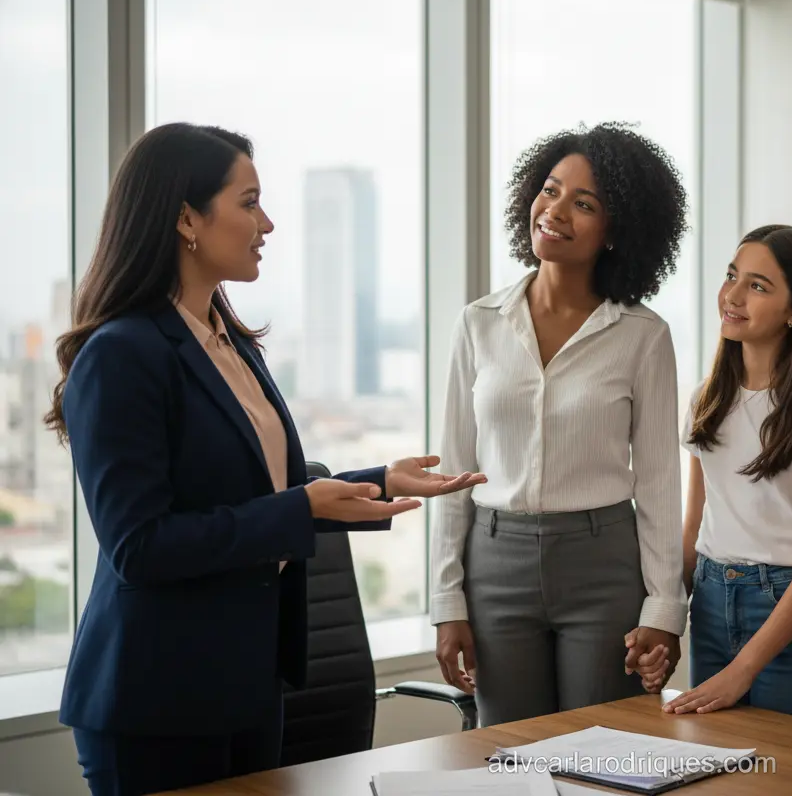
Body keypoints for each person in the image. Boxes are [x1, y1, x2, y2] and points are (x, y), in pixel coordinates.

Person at [46, 123, 485, 796]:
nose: (268, 223)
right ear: (186, 218)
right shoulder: (122, 354)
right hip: (157, 696)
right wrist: (301, 506)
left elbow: (256, 491)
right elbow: (139, 545)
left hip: (249, 683)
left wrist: (374, 482)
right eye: (249, 202)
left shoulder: (231, 342)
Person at [430, 123, 690, 727]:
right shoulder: (478, 323)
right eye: (550, 190)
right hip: (495, 563)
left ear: (617, 230)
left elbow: (658, 482)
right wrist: (447, 599)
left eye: (584, 204)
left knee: (603, 751)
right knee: (509, 753)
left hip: (604, 566)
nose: (555, 210)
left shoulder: (643, 336)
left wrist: (663, 608)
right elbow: (453, 471)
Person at [641, 225, 792, 722]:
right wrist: (665, 621)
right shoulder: (706, 398)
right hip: (710, 601)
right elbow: (694, 528)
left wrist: (744, 669)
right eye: (732, 276)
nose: (732, 295)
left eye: (757, 286)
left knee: (783, 763)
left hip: (786, 608)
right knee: (714, 761)